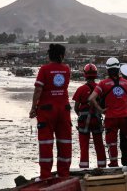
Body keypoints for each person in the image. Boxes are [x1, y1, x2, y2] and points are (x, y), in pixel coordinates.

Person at [88, 57, 127, 167]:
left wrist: (100, 110)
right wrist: (125, 111)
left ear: (108, 70)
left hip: (110, 118)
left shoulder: (103, 84)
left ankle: (114, 164)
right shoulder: (126, 83)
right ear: (118, 69)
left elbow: (91, 98)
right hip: (125, 117)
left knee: (111, 143)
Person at [29, 44, 72, 180]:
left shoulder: (44, 69)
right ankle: (63, 174)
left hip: (47, 111)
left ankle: (46, 176)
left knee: (46, 143)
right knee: (65, 142)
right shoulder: (66, 69)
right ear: (61, 55)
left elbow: (38, 90)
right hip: (64, 110)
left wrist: (33, 108)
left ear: (49, 55)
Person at [72, 63, 106, 169]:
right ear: (95, 74)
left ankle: (84, 168)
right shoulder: (100, 88)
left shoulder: (81, 89)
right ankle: (102, 167)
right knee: (99, 145)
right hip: (97, 120)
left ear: (85, 74)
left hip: (83, 122)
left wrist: (81, 115)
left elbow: (76, 107)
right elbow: (104, 104)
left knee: (84, 146)